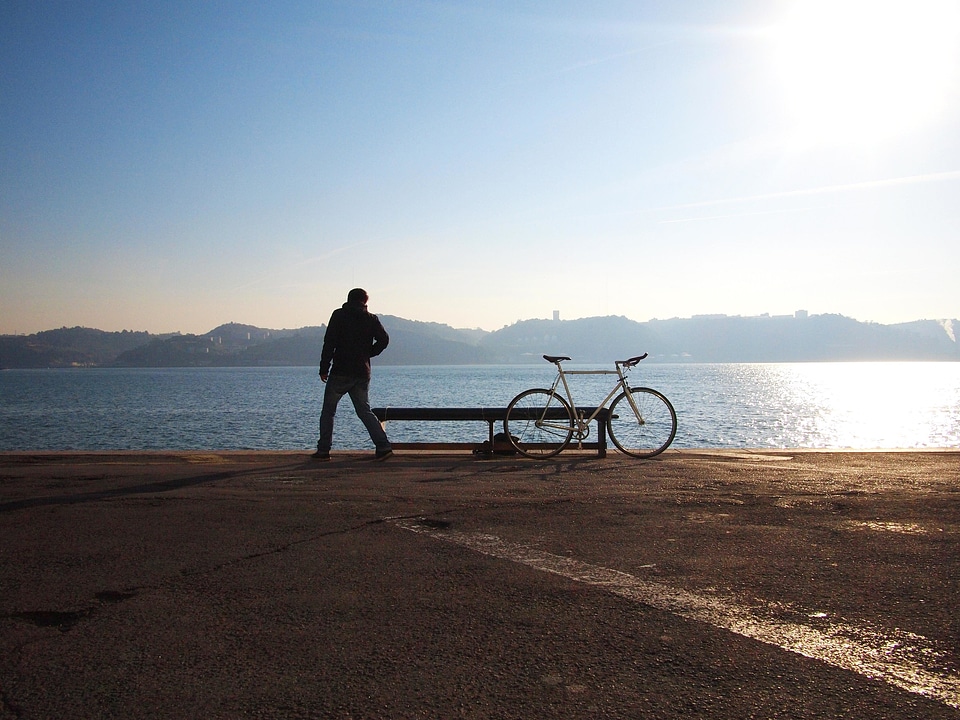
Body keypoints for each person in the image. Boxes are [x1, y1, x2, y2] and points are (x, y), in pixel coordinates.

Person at [313, 288, 393, 461]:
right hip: (362, 372)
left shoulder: (338, 315)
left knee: (328, 412)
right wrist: (368, 353)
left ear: (348, 299)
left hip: (340, 370)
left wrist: (324, 368)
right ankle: (383, 446)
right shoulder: (371, 318)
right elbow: (384, 340)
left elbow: (329, 343)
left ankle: (324, 450)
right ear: (365, 301)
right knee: (364, 410)